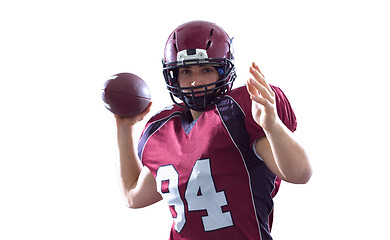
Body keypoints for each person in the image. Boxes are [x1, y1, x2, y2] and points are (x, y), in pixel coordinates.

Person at [114, 20, 312, 240]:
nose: (195, 82)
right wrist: (124, 128)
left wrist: (272, 126)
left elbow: (300, 173)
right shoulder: (162, 130)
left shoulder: (237, 114)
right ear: (174, 76)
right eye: (186, 71)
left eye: (206, 69)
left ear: (223, 72)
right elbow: (133, 196)